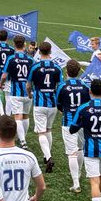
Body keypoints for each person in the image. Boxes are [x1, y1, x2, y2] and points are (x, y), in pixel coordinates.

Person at [55, 59, 91, 192]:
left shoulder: (62, 86)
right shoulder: (86, 86)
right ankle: (79, 174)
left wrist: (63, 110)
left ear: (67, 71)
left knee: (71, 153)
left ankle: (76, 183)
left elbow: (58, 104)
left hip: (69, 123)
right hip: (83, 122)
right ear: (78, 71)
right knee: (80, 149)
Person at [29, 41, 64, 173]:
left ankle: (48, 157)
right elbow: (60, 86)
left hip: (39, 103)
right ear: (50, 52)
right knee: (48, 130)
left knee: (41, 132)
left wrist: (29, 94)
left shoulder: (35, 66)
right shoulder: (57, 67)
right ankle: (46, 155)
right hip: (53, 103)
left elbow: (28, 84)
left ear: (39, 51)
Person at [2, 38, 35, 148]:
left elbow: (4, 75)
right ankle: (23, 137)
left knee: (18, 117)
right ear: (24, 45)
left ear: (14, 45)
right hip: (28, 92)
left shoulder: (11, 58)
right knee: (25, 116)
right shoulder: (30, 59)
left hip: (16, 92)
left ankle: (22, 141)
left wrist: (2, 83)